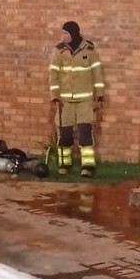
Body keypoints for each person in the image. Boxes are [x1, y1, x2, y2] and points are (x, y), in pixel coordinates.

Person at [48, 21, 105, 177]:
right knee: (65, 135)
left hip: (85, 100)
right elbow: (53, 75)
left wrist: (99, 95)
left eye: (65, 33)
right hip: (64, 101)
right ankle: (64, 165)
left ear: (73, 34)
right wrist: (55, 96)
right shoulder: (59, 51)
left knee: (85, 133)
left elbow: (97, 73)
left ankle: (87, 167)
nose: (62, 36)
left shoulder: (89, 49)